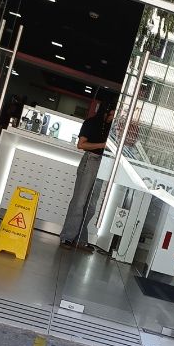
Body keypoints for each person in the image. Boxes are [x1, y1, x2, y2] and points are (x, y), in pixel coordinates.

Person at [59, 104, 115, 252]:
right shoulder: (91, 123)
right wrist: (103, 145)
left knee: (91, 206)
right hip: (91, 160)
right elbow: (81, 145)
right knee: (79, 201)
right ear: (105, 111)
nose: (113, 117)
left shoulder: (112, 128)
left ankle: (80, 238)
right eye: (111, 114)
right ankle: (67, 236)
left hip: (104, 163)